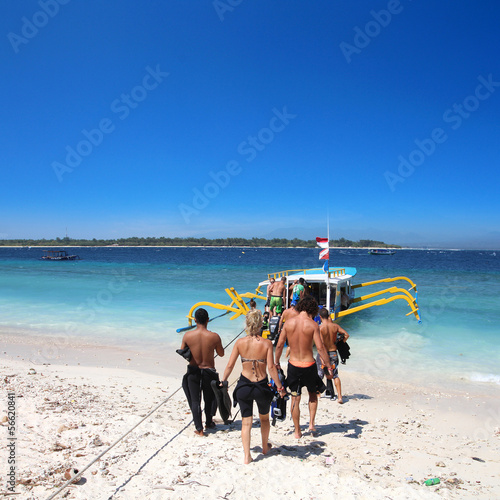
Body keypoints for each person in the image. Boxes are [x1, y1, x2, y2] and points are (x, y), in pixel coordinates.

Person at [222, 310, 286, 464]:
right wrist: (279, 387)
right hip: (261, 386)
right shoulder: (266, 343)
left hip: (244, 385)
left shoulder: (239, 342)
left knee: (246, 422)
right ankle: (265, 447)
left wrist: (223, 380)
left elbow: (230, 365)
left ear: (247, 324)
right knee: (264, 419)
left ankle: (247, 456)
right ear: (260, 324)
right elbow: (271, 368)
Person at [275, 296, 334, 438]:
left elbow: (279, 344)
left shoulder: (288, 323)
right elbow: (320, 348)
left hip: (294, 365)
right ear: (313, 310)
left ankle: (297, 431)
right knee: (313, 395)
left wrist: (276, 362)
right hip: (309, 365)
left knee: (295, 398)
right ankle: (311, 425)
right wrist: (328, 366)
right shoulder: (313, 325)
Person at [180, 308, 224, 436]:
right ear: (208, 320)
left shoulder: (187, 336)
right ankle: (209, 422)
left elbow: (183, 351)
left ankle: (199, 429)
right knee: (209, 398)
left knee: (195, 400)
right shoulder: (214, 336)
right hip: (209, 371)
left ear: (195, 320)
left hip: (193, 370)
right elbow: (221, 354)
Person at [316, 308, 349, 403]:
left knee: (320, 373)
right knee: (335, 375)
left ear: (320, 317)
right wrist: (339, 342)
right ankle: (339, 397)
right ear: (329, 316)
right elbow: (346, 335)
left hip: (324, 353)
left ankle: (318, 394)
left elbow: (321, 344)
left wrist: (322, 358)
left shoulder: (320, 328)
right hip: (333, 352)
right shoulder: (335, 326)